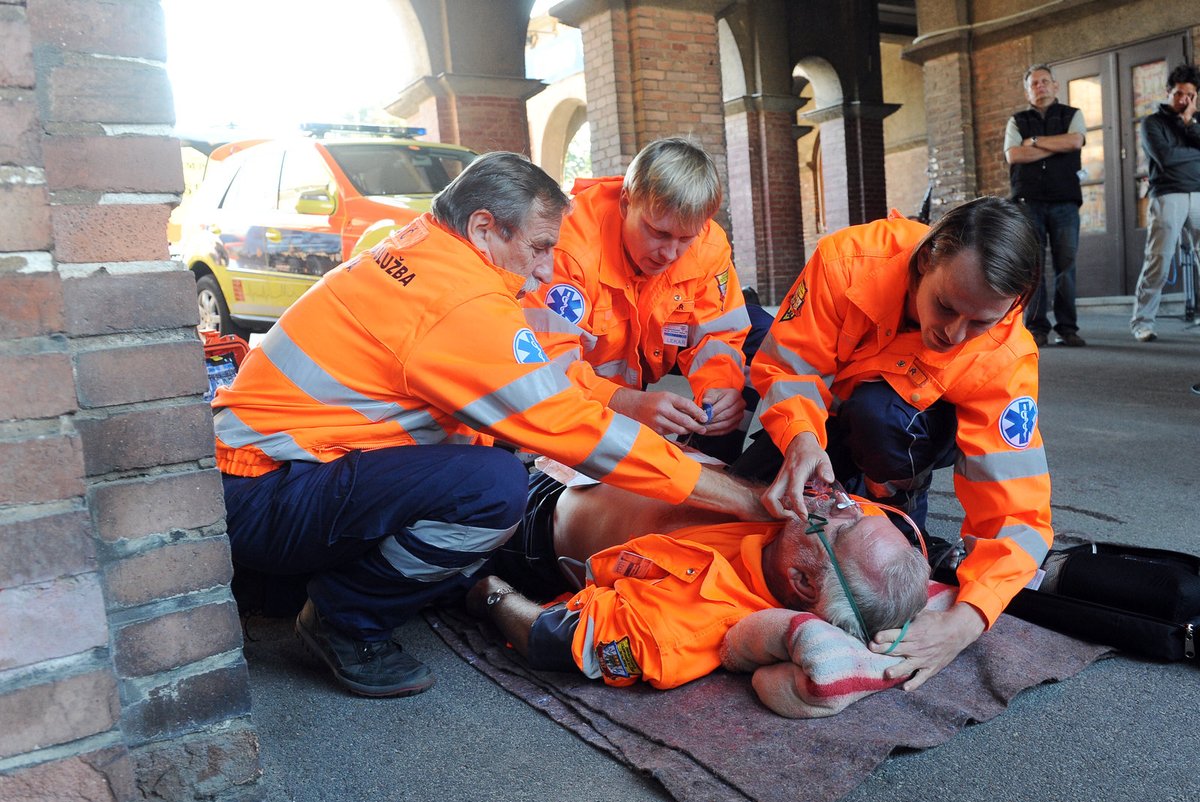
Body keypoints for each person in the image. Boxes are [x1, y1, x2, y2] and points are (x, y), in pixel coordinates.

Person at [212, 151, 771, 698]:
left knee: (484, 466)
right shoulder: (461, 304)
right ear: (484, 228)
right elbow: (570, 425)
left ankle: (293, 582)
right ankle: (344, 620)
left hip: (260, 472)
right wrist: (734, 497)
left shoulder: (426, 248)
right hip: (261, 492)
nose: (547, 269)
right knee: (492, 488)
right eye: (538, 247)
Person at [733, 196, 1053, 691]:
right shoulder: (846, 261)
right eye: (946, 306)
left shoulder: (1006, 352)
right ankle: (853, 472)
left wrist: (967, 620)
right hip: (825, 415)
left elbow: (1018, 509)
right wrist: (800, 438)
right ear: (926, 261)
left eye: (980, 322)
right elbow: (788, 368)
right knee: (741, 504)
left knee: (880, 415)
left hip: (907, 427)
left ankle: (895, 490)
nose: (953, 333)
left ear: (1012, 306)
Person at [468, 475, 929, 690]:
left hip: (527, 515)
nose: (844, 502)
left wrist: (485, 588)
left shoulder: (689, 624)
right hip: (589, 459)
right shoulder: (804, 533)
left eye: (846, 522)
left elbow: (546, 640)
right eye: (860, 509)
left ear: (804, 583)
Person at [522, 137, 772, 462]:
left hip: (660, 341)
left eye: (685, 238)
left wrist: (720, 388)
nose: (670, 253)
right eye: (658, 233)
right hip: (592, 394)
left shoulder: (708, 243)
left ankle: (712, 463)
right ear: (626, 204)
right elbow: (547, 369)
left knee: (766, 338)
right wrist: (626, 403)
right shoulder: (565, 248)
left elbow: (719, 336)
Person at [1004, 63, 1088, 348]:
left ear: (1055, 86)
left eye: (1044, 82)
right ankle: (1037, 327)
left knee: (1067, 263)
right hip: (1028, 202)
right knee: (1033, 266)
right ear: (1028, 92)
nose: (1040, 87)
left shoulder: (1072, 115)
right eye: (1034, 84)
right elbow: (1014, 155)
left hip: (1064, 200)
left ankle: (1067, 328)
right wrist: (1056, 145)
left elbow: (1075, 141)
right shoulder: (1017, 121)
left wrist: (1036, 142)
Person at [1129, 63, 1200, 342]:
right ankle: (1142, 322)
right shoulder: (1152, 123)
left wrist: (1190, 122)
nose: (1183, 100)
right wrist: (1194, 155)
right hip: (1167, 195)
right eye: (1179, 93)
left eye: (1190, 95)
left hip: (1198, 194)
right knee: (1158, 260)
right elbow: (1166, 158)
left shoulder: (1196, 121)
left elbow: (1176, 155)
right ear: (1168, 92)